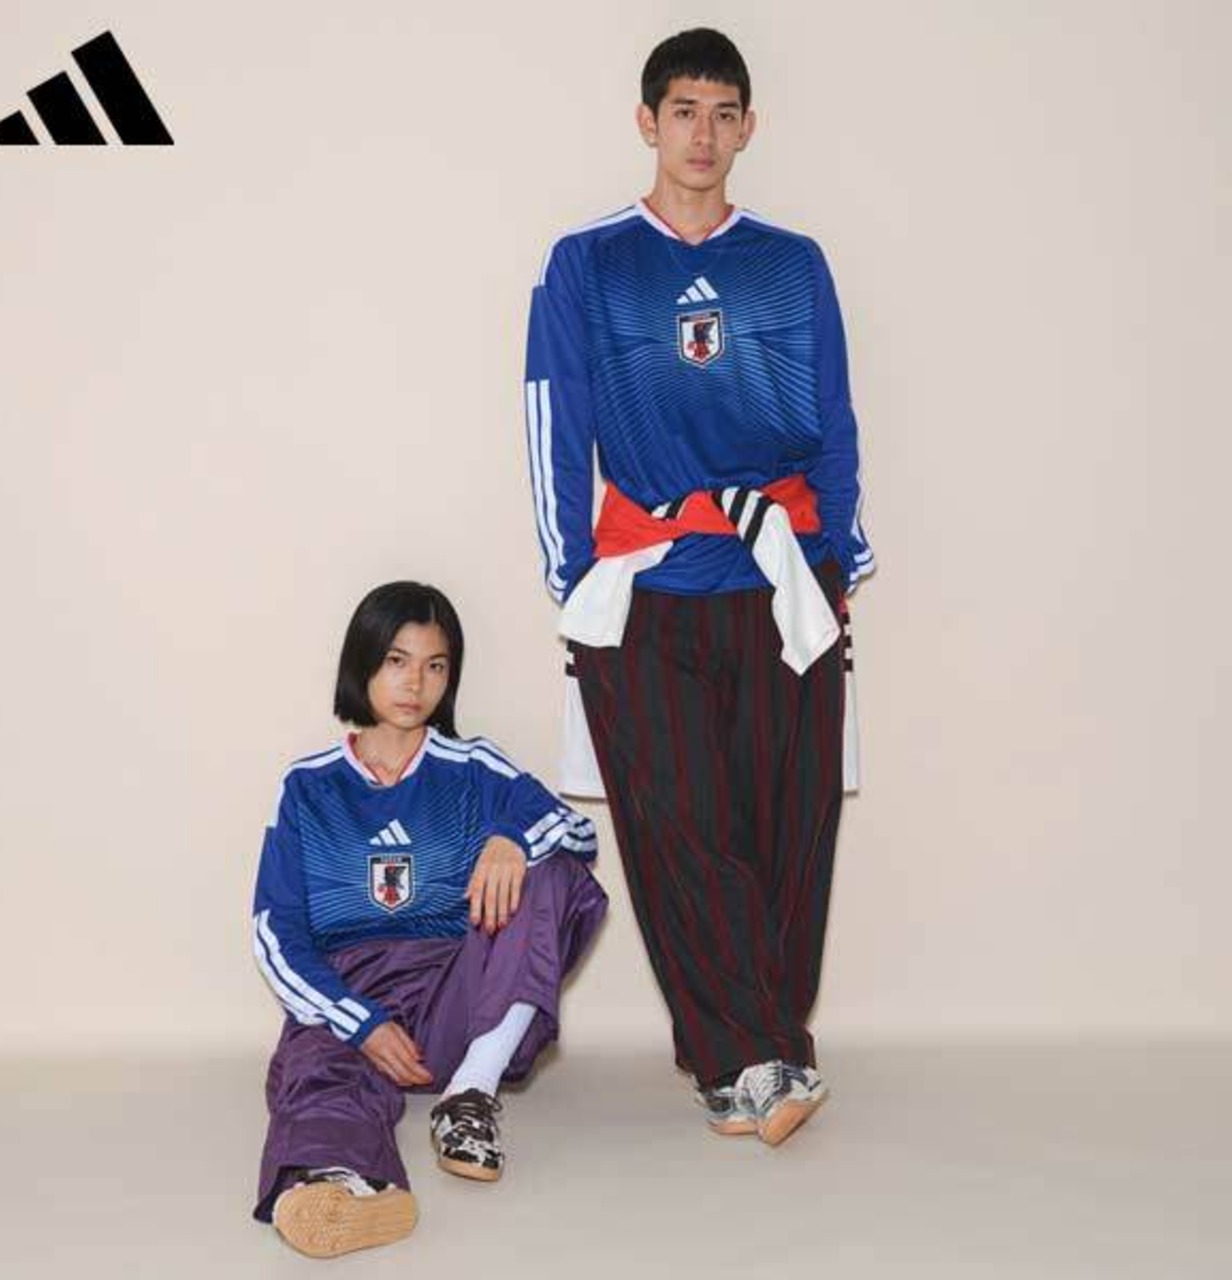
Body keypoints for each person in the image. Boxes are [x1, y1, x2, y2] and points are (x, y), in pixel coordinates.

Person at [523, 28, 873, 1148]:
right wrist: (575, 575)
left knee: (790, 824)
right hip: (650, 581)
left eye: (724, 113)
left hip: (780, 575)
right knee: (681, 827)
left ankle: (760, 1047)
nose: (703, 134)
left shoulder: (792, 262)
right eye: (683, 111)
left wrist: (838, 560)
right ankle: (748, 1057)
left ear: (748, 127)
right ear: (647, 121)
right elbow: (553, 418)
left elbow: (835, 418)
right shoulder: (587, 264)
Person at [250, 582, 607, 1257]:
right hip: (351, 997)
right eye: (396, 660)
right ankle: (338, 1186)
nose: (416, 683)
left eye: (435, 665)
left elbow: (578, 834)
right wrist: (361, 1021)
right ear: (361, 662)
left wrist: (512, 839)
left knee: (552, 869)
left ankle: (470, 1095)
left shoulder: (472, 767)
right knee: (316, 1067)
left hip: (457, 998)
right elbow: (276, 929)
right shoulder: (307, 785)